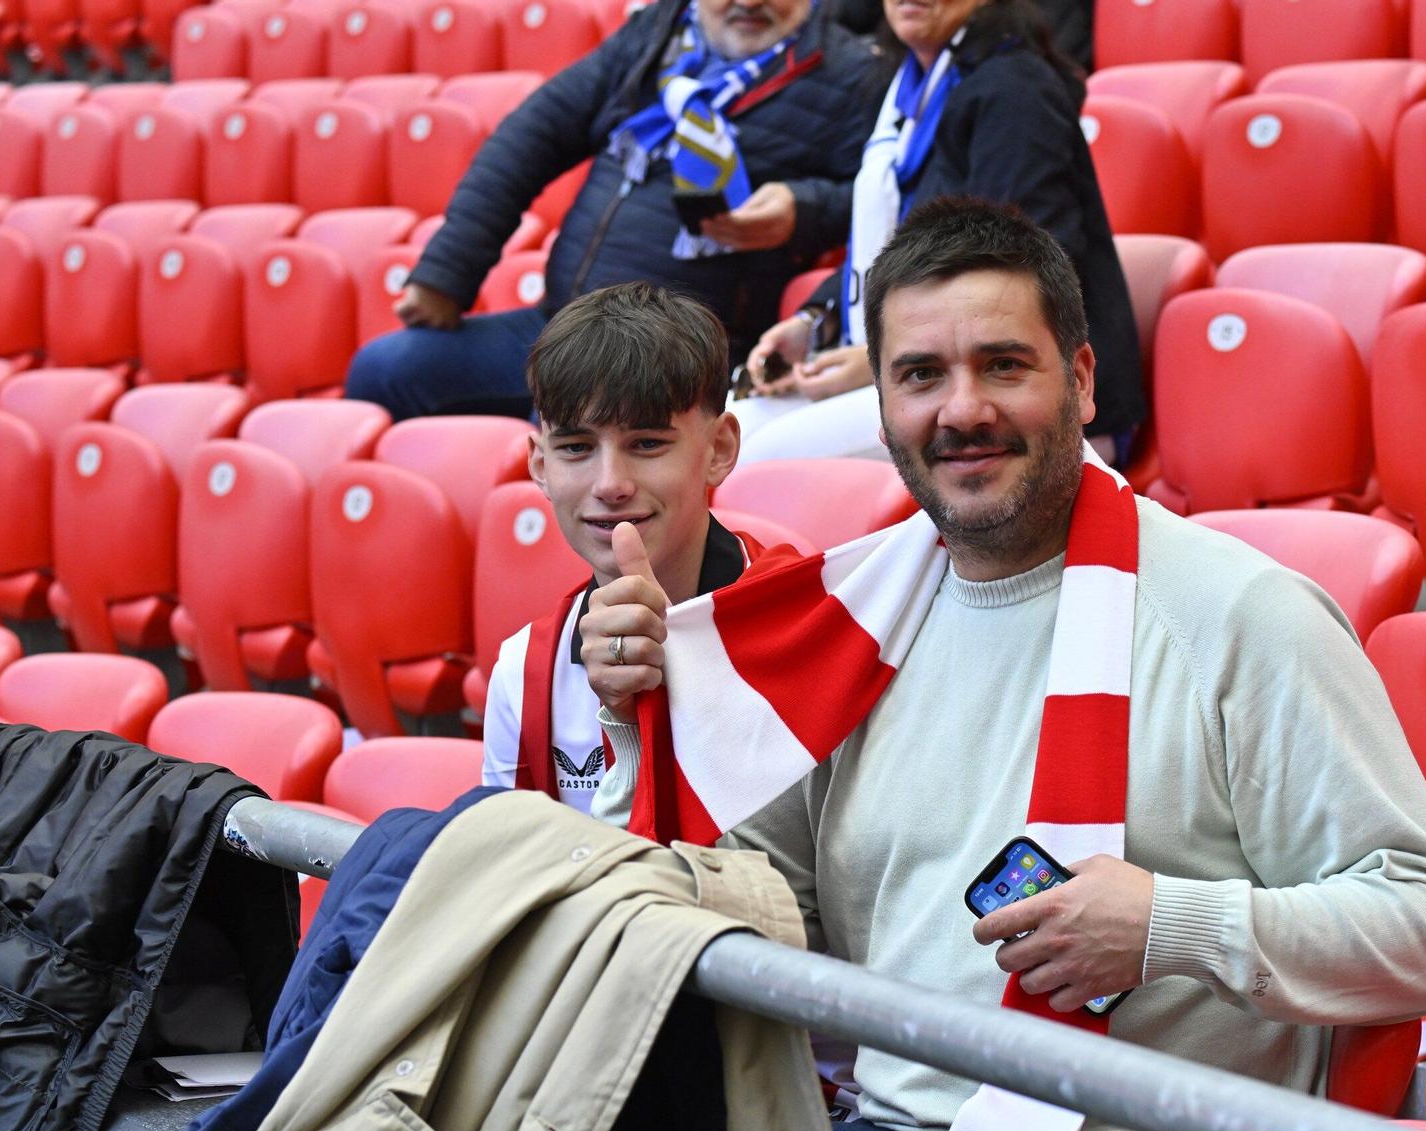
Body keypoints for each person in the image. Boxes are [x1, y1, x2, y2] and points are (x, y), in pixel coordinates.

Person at [582, 199, 1426, 1131]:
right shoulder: (849, 617)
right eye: (919, 375)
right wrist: (634, 725)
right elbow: (766, 918)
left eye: (1001, 365)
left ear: (1083, 380)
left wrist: (1167, 922)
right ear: (884, 405)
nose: (961, 410)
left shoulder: (1244, 617)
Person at [344, 0, 887, 421]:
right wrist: (447, 274)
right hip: (559, 323)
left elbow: (881, 206)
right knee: (384, 371)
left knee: (573, 427)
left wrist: (804, 210)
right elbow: (532, 135)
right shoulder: (657, 35)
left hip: (672, 354)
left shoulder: (851, 75)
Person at [727, 0, 1144, 465]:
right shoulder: (905, 91)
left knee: (754, 457)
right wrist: (812, 323)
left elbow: (1013, 273)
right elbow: (895, 249)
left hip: (1015, 391)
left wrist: (875, 360)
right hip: (923, 366)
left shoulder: (1016, 88)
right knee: (724, 429)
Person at [480, 282, 774, 812]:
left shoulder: (809, 623)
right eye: (576, 448)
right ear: (540, 466)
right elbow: (514, 872)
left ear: (720, 449)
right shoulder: (524, 670)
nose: (610, 483)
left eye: (646, 444)